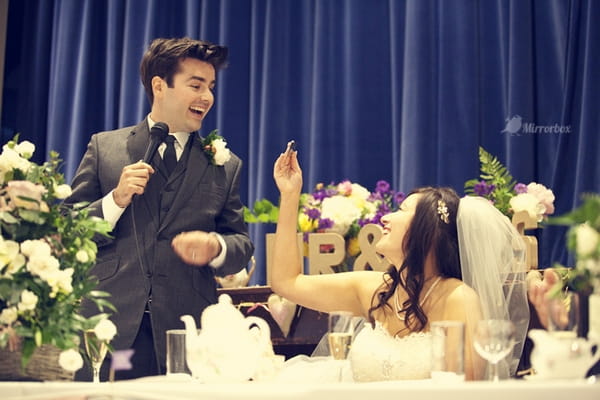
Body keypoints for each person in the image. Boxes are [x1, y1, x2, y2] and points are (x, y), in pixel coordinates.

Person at [66, 37, 254, 379]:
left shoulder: (225, 165)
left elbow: (241, 245)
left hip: (188, 331)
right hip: (110, 326)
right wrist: (114, 201)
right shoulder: (105, 148)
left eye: (210, 87)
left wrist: (217, 247)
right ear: (159, 86)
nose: (207, 97)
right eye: (195, 85)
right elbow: (67, 233)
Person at [271, 147, 529, 381]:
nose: (387, 217)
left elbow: (463, 391)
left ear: (428, 232)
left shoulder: (458, 299)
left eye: (402, 210)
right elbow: (287, 283)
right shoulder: (373, 289)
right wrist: (290, 195)